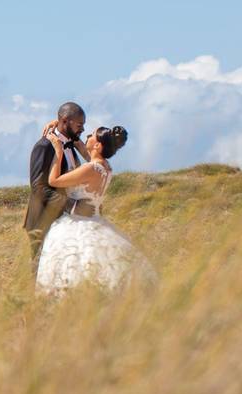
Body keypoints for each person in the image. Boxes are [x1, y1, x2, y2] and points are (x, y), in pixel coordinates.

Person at [35, 124, 156, 296]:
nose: (88, 135)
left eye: (92, 135)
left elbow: (54, 181)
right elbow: (89, 156)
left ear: (98, 145)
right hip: (96, 220)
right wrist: (60, 124)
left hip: (77, 222)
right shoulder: (105, 167)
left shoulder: (91, 168)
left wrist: (58, 151)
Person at [23, 102, 88, 275]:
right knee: (42, 271)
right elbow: (38, 188)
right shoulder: (44, 146)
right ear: (66, 121)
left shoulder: (71, 144)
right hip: (44, 219)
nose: (82, 129)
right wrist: (71, 205)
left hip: (68, 219)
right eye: (80, 125)